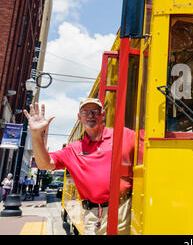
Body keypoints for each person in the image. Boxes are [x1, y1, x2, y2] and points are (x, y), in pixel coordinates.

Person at [24, 98, 135, 235]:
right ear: (79, 117)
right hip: (92, 217)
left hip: (122, 211)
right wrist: (36, 135)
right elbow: (44, 164)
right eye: (85, 112)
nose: (90, 115)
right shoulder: (73, 149)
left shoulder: (123, 135)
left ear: (103, 115)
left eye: (95, 111)